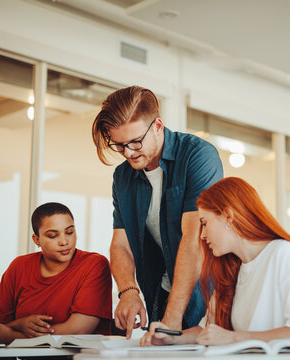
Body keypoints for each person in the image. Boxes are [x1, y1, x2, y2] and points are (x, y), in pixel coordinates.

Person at [92, 86, 223, 338]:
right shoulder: (122, 176)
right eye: (119, 145)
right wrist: (128, 291)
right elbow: (121, 244)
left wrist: (172, 320)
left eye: (135, 141)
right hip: (162, 292)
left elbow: (193, 238)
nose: (128, 152)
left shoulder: (198, 156)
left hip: (207, 297)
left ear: (158, 126)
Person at [140, 177, 290, 346]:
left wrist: (233, 338)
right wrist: (172, 338)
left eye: (205, 223)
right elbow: (208, 331)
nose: (203, 235)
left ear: (228, 216)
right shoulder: (232, 268)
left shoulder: (285, 255)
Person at [0, 202, 112, 344]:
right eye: (52, 236)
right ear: (37, 240)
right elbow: (0, 328)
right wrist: (20, 324)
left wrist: (14, 337)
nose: (64, 241)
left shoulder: (94, 265)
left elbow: (78, 331)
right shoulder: (18, 267)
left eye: (70, 232)